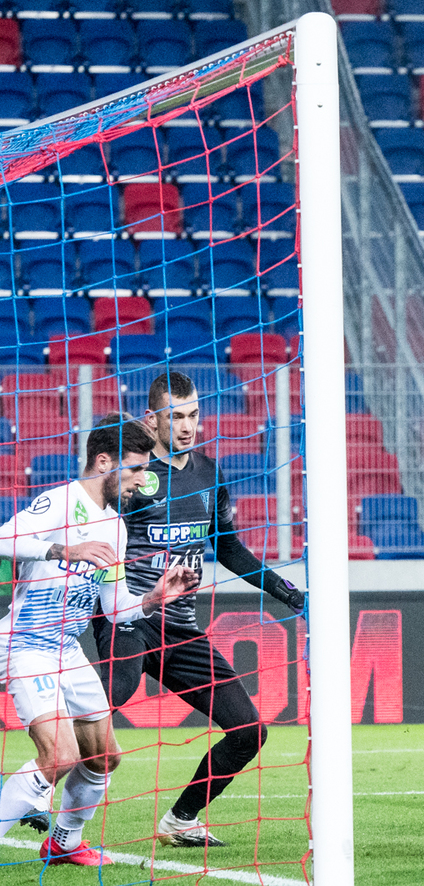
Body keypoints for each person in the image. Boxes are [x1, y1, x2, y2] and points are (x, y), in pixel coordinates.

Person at [95, 371, 304, 848]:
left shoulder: (209, 474)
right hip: (130, 619)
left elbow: (228, 548)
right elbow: (96, 540)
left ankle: (181, 820)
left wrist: (286, 590)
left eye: (193, 414)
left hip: (182, 629)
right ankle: (39, 788)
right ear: (151, 420)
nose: (188, 426)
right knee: (107, 701)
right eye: (176, 416)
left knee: (249, 732)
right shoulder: (133, 476)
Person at [0, 416, 198, 866]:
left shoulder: (115, 526)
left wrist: (152, 599)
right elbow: (4, 539)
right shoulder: (61, 501)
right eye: (134, 469)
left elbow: (115, 609)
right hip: (27, 643)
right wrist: (64, 550)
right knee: (59, 755)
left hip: (67, 650)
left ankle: (64, 842)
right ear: (104, 462)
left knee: (104, 757)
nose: (141, 481)